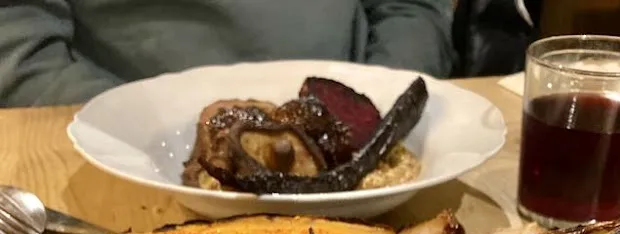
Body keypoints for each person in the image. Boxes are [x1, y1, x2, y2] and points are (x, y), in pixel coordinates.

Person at [0, 0, 454, 108]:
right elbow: (20, 37)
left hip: (357, 126)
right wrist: (136, 130)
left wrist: (383, 114)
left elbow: (411, 9)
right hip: (124, 144)